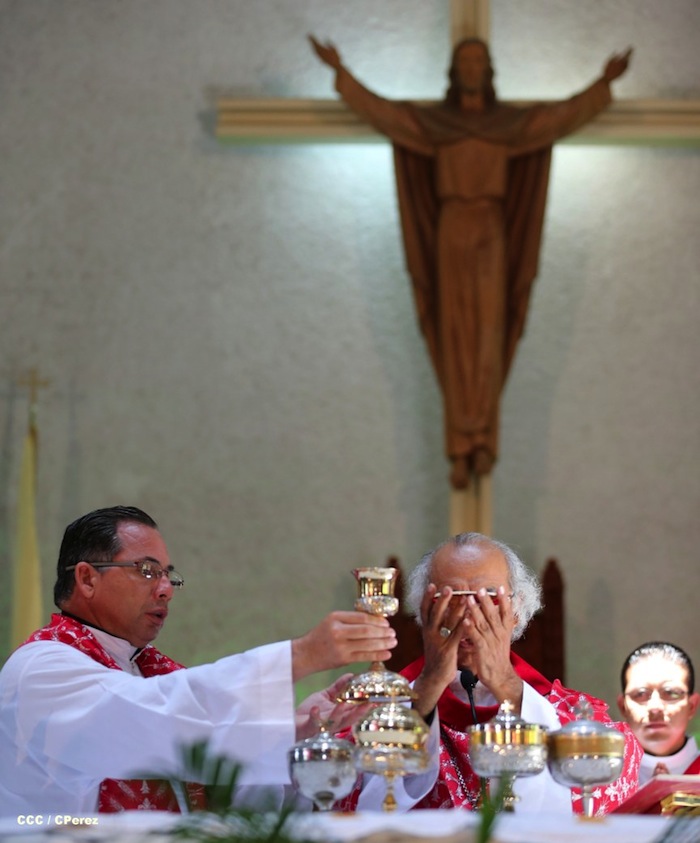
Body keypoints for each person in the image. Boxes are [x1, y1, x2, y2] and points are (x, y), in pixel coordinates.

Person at [310, 36, 632, 489]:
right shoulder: (434, 123)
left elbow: (558, 116)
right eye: (465, 60)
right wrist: (341, 75)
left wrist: (602, 85)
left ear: (489, 68)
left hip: (491, 232)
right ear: (454, 71)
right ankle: (460, 446)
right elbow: (386, 113)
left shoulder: (510, 124)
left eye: (479, 59)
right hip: (451, 230)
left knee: (487, 337)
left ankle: (483, 441)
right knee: (455, 334)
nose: (472, 66)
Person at [0, 505, 396, 816]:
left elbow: (199, 753)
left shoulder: (141, 669)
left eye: (167, 575)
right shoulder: (41, 669)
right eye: (146, 571)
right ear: (87, 579)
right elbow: (151, 721)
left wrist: (303, 731)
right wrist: (300, 656)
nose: (165, 590)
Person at [339, 532, 641, 814]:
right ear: (423, 611)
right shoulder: (377, 709)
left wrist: (505, 683)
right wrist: (429, 685)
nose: (468, 617)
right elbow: (350, 798)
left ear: (517, 610)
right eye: (450, 599)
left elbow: (607, 783)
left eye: (488, 599)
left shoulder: (570, 713)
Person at [617, 641, 700, 785]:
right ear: (623, 706)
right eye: (641, 694)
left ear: (692, 706)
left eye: (670, 693)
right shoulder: (599, 783)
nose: (655, 708)